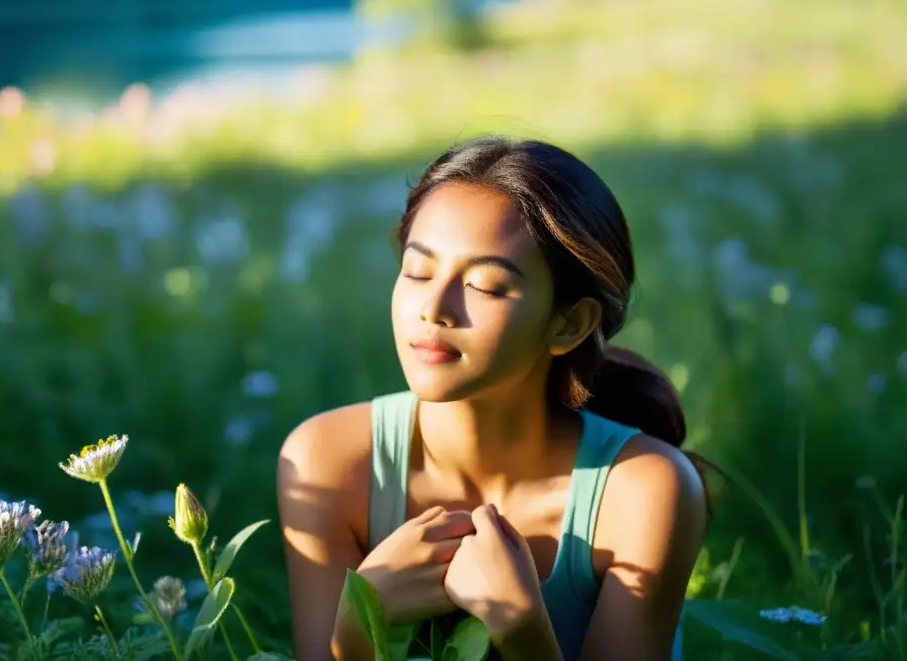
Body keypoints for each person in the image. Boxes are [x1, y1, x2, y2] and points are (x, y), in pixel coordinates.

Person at [277, 135, 710, 661]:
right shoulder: (327, 463)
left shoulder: (644, 491)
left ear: (569, 322)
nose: (434, 308)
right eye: (417, 271)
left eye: (484, 285)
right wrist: (361, 622)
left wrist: (522, 628)